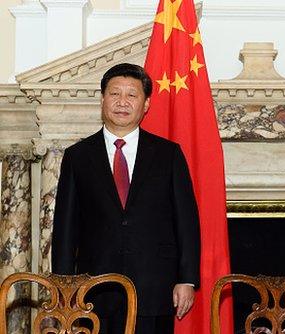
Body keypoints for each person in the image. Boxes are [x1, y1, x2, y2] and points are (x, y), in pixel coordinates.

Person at [51, 63, 200, 334]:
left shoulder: (168, 154)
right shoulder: (78, 156)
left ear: (146, 104)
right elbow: (65, 227)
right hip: (92, 290)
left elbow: (187, 222)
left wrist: (187, 279)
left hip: (154, 286)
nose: (122, 102)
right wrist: (63, 286)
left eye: (132, 95)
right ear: (102, 99)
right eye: (114, 94)